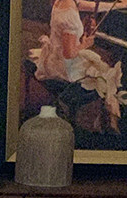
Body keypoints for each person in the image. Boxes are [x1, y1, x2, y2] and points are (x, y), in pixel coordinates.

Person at [29, 0, 123, 131]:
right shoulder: (69, 15)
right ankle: (110, 122)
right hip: (65, 68)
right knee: (109, 77)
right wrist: (85, 44)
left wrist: (119, 5)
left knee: (102, 70)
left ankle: (107, 119)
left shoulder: (62, 2)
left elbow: (90, 6)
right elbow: (69, 54)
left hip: (54, 59)